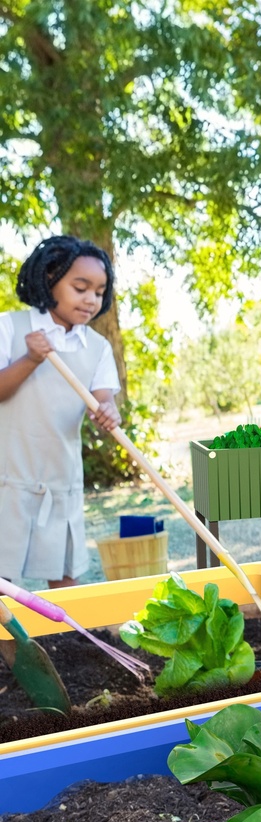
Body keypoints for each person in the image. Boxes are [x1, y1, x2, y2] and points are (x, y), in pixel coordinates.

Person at [0, 235, 121, 589]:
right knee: (2, 577)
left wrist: (108, 413)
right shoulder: (11, 328)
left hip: (60, 477)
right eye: (80, 287)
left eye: (99, 292)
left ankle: (67, 642)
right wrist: (30, 359)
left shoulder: (97, 348)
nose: (90, 299)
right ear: (50, 278)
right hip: (8, 475)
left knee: (65, 576)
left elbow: (103, 400)